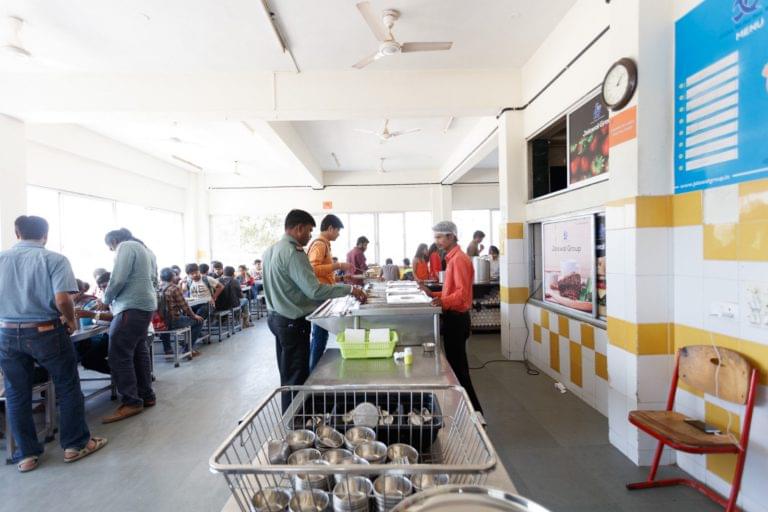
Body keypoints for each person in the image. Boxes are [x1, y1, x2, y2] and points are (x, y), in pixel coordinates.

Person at [0, 216, 107, 472]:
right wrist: (69, 320)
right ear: (45, 235)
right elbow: (62, 299)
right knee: (67, 385)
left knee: (16, 392)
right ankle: (75, 445)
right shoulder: (54, 259)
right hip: (46, 331)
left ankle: (26, 455)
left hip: (7, 333)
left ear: (17, 233)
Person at [263, 209, 367, 410]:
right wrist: (349, 289)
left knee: (287, 374)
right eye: (309, 230)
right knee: (297, 376)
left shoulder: (271, 250)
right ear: (298, 228)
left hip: (276, 318)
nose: (310, 235)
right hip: (293, 322)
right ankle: (295, 420)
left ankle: (292, 415)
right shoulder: (294, 252)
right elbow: (314, 290)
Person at [421, 221, 483, 414]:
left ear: (451, 236)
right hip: (453, 318)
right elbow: (451, 291)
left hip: (457, 319)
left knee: (459, 372)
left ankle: (475, 413)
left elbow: (462, 296)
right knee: (456, 369)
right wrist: (433, 295)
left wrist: (442, 302)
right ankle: (466, 410)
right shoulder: (452, 258)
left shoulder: (459, 260)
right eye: (436, 237)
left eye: (439, 237)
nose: (437, 241)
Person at [101, 228, 158, 424]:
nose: (112, 251)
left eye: (110, 248)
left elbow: (117, 278)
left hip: (130, 306)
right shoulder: (147, 250)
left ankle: (131, 401)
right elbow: (154, 280)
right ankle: (146, 395)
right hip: (145, 306)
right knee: (139, 351)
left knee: (118, 354)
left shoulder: (125, 246)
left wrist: (105, 299)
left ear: (114, 241)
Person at [307, 214, 351, 372]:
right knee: (319, 335)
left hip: (324, 294)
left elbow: (324, 273)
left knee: (320, 334)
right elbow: (312, 269)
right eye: (338, 231)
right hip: (320, 295)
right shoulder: (320, 244)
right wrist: (338, 265)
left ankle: (313, 369)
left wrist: (340, 277)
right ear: (330, 228)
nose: (338, 234)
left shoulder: (325, 244)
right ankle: (313, 372)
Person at [158, 267, 205, 357]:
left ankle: (168, 349)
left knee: (165, 321)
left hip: (160, 323)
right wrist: (194, 316)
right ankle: (188, 349)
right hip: (173, 321)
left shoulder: (158, 288)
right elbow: (185, 307)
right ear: (173, 277)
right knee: (199, 321)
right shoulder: (174, 288)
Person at [72, 279, 110, 374]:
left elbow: (92, 320)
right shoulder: (74, 304)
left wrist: (92, 314)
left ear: (78, 292)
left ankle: (123, 374)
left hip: (97, 337)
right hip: (90, 338)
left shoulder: (92, 303)